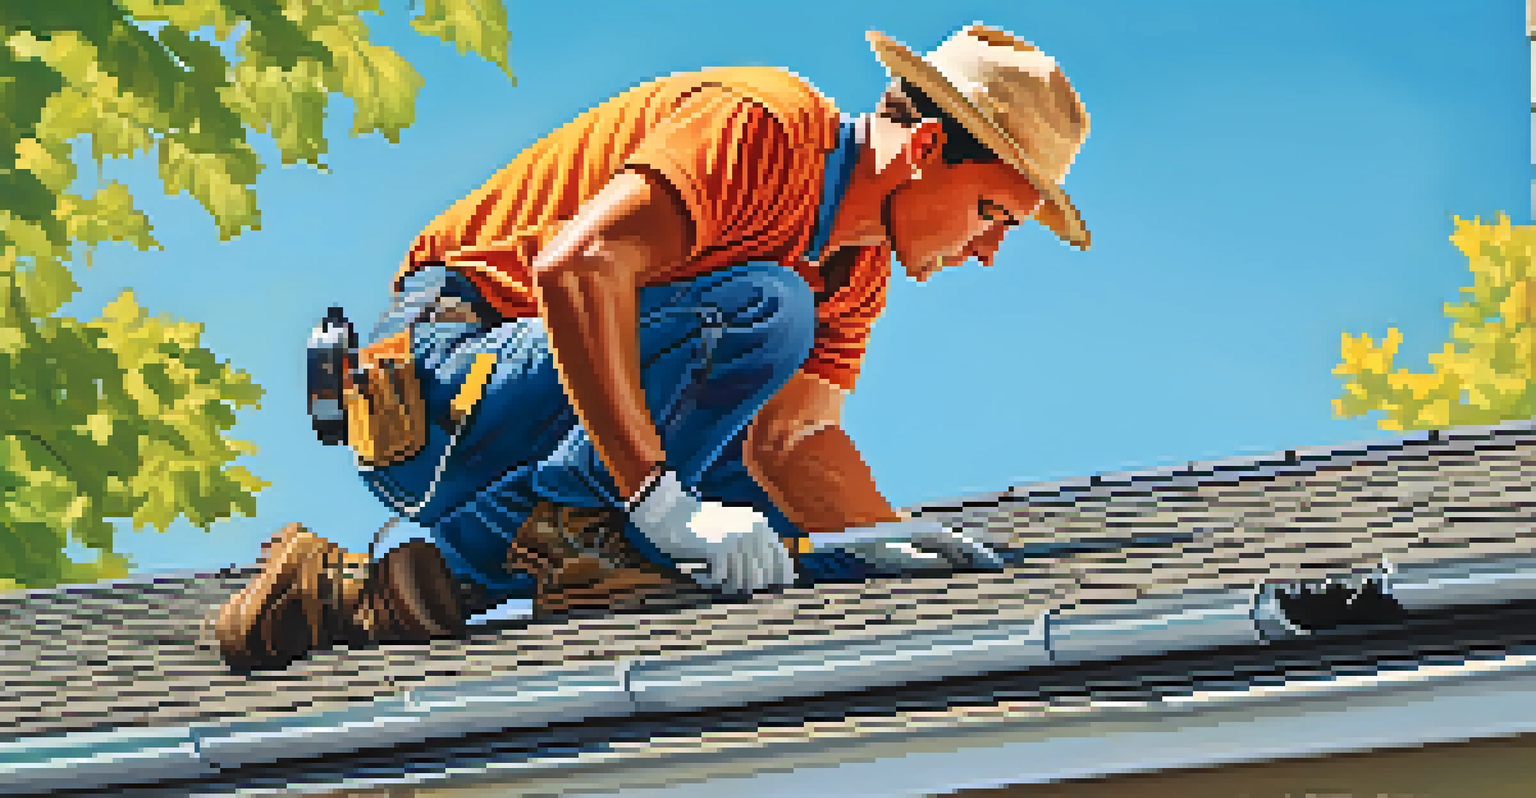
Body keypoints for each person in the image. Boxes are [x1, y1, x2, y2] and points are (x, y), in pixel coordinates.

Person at [214, 23, 1091, 671]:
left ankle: (364, 592)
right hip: (445, 386)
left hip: (552, 423)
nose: (989, 251)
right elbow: (577, 267)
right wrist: (661, 505)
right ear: (927, 147)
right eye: (992, 214)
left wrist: (881, 539)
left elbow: (791, 444)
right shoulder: (766, 126)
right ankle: (576, 525)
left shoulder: (855, 271)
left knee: (791, 546)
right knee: (766, 309)